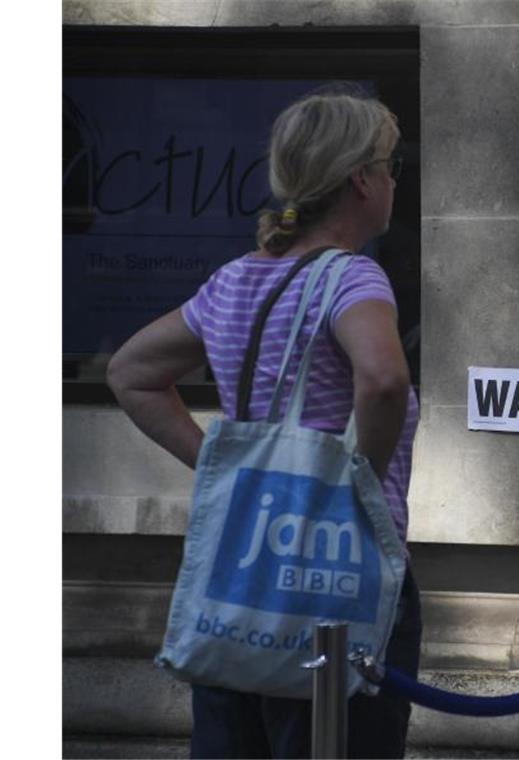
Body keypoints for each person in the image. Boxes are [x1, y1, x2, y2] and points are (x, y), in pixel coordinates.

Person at [107, 90, 421, 759]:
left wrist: (221, 464)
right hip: (341, 572)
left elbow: (131, 372)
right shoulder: (352, 279)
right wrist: (354, 485)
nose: (395, 181)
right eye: (392, 166)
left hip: (242, 562)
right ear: (362, 179)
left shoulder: (233, 282)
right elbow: (384, 380)